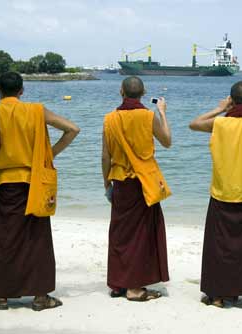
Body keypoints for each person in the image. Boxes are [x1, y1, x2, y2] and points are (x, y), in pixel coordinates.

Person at [0, 72, 80, 311]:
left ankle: (2, 297)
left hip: (2, 183)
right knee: (37, 240)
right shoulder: (36, 111)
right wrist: (48, 155)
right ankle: (40, 297)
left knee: (4, 240)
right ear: (22, 90)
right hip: (33, 182)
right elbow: (72, 129)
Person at [189, 81, 242, 310]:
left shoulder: (219, 124)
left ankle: (217, 296)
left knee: (219, 247)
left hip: (222, 193)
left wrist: (220, 109)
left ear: (231, 100)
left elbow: (194, 124)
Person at [102, 76, 171, 301]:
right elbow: (167, 141)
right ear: (143, 94)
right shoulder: (147, 116)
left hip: (121, 181)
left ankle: (119, 284)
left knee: (121, 234)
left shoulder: (110, 118)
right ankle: (134, 288)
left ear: (121, 92)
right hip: (144, 182)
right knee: (142, 235)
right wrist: (162, 112)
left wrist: (106, 183)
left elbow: (105, 155)